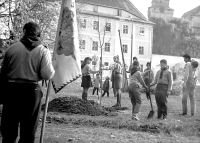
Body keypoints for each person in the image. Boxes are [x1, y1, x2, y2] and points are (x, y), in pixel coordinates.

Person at [0, 22, 55, 143]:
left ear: (24, 31)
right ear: (38, 34)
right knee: (28, 131)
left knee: (9, 130)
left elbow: (2, 73)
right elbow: (47, 74)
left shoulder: (12, 48)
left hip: (11, 91)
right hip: (31, 92)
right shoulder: (43, 50)